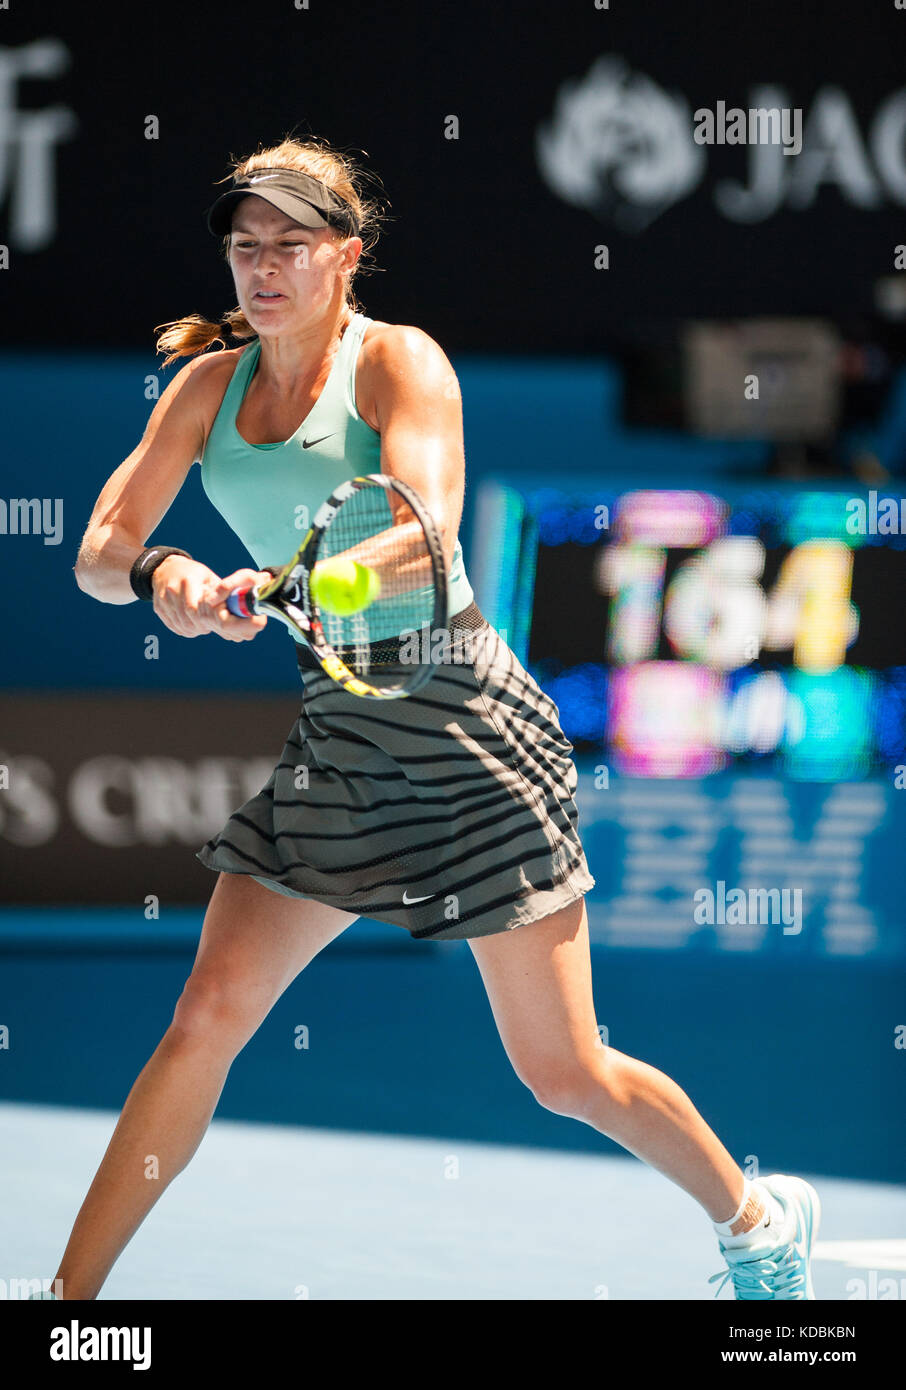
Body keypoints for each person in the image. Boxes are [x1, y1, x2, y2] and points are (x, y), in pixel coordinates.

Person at [54, 135, 818, 1301]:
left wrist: (305, 581)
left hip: (473, 743)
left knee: (564, 1071)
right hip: (343, 748)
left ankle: (759, 1223)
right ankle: (68, 1304)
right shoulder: (204, 389)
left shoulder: (400, 364)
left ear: (346, 257)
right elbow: (99, 551)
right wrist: (167, 575)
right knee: (204, 1011)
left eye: (290, 247)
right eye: (244, 246)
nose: (261, 269)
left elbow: (428, 533)